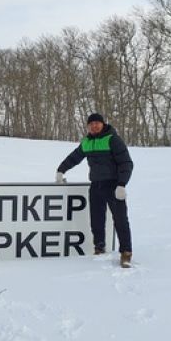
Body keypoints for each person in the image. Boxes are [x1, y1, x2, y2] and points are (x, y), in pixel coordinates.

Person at [55, 113, 134, 268]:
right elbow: (74, 157)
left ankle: (126, 253)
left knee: (120, 220)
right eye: (91, 124)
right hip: (96, 186)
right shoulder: (87, 142)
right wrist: (61, 170)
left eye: (97, 123)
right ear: (88, 126)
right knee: (96, 220)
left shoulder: (113, 139)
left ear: (103, 124)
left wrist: (122, 184)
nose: (94, 126)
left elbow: (126, 163)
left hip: (113, 186)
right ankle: (99, 247)